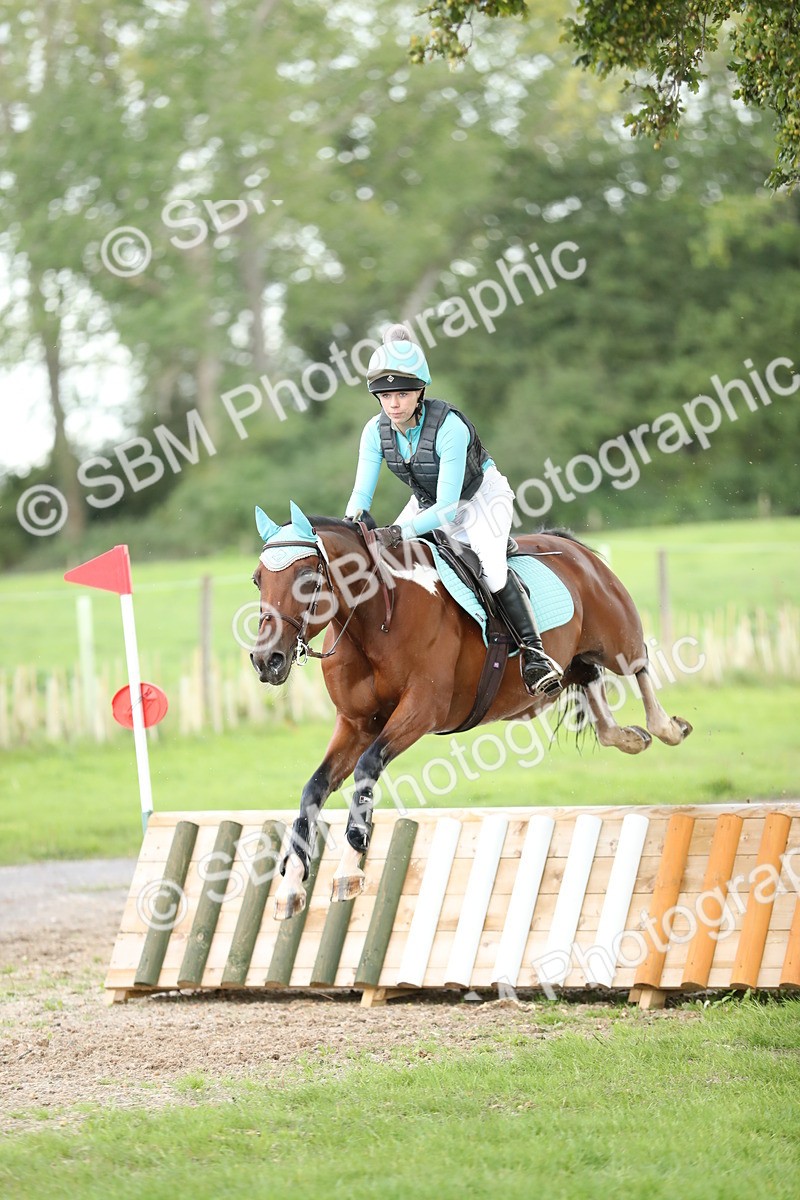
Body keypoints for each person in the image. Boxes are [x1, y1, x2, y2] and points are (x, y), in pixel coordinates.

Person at [344, 324, 563, 697]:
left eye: (402, 393)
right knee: (386, 560)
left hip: (480, 499)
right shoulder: (374, 432)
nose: (393, 404)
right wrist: (353, 522)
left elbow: (447, 510)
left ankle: (535, 653)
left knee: (492, 569)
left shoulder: (449, 428)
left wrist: (398, 531)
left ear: (420, 391)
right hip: (427, 502)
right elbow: (361, 493)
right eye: (385, 395)